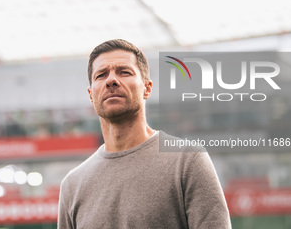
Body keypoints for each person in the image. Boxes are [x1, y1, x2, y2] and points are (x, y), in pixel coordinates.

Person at [58, 39, 231, 228]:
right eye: (101, 75)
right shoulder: (72, 186)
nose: (111, 80)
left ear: (147, 88)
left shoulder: (187, 161)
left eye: (124, 72)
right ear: (91, 95)